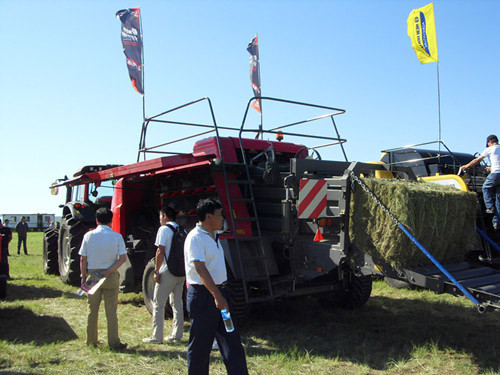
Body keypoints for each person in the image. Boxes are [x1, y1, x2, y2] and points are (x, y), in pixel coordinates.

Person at [184, 199, 248, 375]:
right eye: (219, 215)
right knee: (201, 345)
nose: (223, 219)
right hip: (205, 297)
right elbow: (199, 267)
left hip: (221, 295)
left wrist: (222, 296)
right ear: (208, 216)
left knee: (232, 339)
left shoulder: (214, 236)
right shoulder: (195, 238)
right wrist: (217, 296)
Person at [79, 207, 128, 350]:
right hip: (110, 275)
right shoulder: (117, 236)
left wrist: (83, 277)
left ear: (96, 220)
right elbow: (122, 258)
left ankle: (91, 341)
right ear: (111, 221)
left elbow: (83, 259)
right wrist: (109, 271)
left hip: (92, 275)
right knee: (111, 311)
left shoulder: (88, 236)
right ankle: (113, 342)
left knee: (92, 310)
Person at [143, 206, 185, 344]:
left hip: (167, 271)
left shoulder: (164, 229)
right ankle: (177, 334)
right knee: (177, 303)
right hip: (180, 272)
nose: (160, 220)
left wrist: (156, 270)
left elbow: (160, 251)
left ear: (165, 216)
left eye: (160, 217)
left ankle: (157, 336)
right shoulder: (182, 230)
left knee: (158, 303)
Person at [462, 134, 500, 230]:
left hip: (495, 174)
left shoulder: (490, 149)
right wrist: (491, 168)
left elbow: (477, 160)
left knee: (485, 188)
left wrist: (467, 166)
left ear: (489, 142)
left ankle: (490, 207)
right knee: (498, 198)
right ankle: (496, 222)